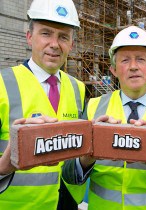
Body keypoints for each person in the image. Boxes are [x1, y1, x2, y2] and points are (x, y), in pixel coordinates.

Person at [62, 25, 146, 209]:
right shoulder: (93, 108)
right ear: (113, 69)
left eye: (140, 59)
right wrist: (86, 158)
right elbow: (69, 174)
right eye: (125, 60)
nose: (133, 67)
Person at [0, 0, 87, 209]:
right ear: (29, 37)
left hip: (65, 202)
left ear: (71, 44)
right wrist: (6, 164)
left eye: (63, 36)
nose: (55, 44)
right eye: (46, 33)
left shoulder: (78, 88)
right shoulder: (2, 84)